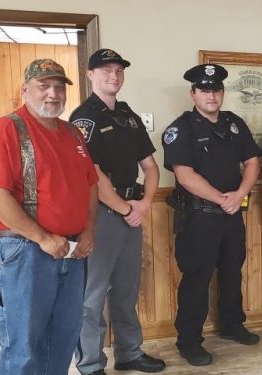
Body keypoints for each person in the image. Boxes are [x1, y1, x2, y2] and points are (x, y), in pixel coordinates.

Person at [0, 59, 98, 374]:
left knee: (61, 340)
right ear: (25, 90)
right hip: (26, 252)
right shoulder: (7, 129)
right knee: (23, 345)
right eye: (43, 86)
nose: (53, 94)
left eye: (59, 87)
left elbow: (90, 186)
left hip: (72, 253)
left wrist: (88, 231)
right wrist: (43, 238)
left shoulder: (73, 133)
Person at [70, 49, 165, 375]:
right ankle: (91, 364)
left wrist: (146, 203)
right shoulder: (83, 118)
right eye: (105, 70)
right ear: (90, 75)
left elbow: (151, 167)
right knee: (92, 298)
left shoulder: (127, 115)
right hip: (102, 218)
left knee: (126, 291)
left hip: (132, 214)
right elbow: (92, 173)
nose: (114, 76)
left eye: (118, 70)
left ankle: (129, 354)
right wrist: (126, 208)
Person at [162, 64, 261, 366]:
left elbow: (253, 161)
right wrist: (221, 198)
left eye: (216, 89)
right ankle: (189, 341)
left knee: (233, 272)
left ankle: (232, 325)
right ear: (193, 93)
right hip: (199, 218)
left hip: (231, 215)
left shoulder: (234, 124)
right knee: (197, 278)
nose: (211, 95)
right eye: (205, 90)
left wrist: (240, 194)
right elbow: (184, 174)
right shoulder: (181, 129)